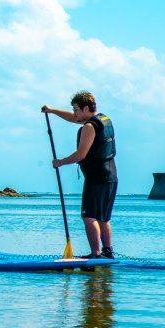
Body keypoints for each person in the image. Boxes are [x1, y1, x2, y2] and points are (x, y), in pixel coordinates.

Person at [42, 91, 117, 259]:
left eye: (76, 109)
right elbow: (74, 118)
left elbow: (81, 154)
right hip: (111, 176)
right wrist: (52, 111)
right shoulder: (104, 119)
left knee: (89, 216)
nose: (74, 113)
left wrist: (60, 162)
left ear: (85, 108)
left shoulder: (89, 127)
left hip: (97, 177)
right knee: (103, 217)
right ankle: (107, 252)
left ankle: (96, 255)